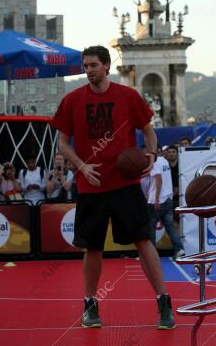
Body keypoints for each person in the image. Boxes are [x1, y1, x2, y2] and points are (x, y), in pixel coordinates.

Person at [52, 45, 175, 330]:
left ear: (107, 66)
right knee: (92, 248)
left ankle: (164, 301)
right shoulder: (72, 100)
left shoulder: (128, 96)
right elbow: (61, 143)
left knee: (143, 241)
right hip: (91, 185)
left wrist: (152, 155)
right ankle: (90, 304)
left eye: (93, 65)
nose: (88, 70)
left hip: (125, 184)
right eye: (85, 65)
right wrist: (81, 166)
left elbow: (148, 132)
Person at [142, 153, 185, 260]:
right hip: (167, 198)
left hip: (156, 201)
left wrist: (156, 199)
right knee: (169, 226)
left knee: (151, 228)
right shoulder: (164, 160)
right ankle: (179, 250)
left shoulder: (154, 163)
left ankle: (151, 255)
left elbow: (159, 179)